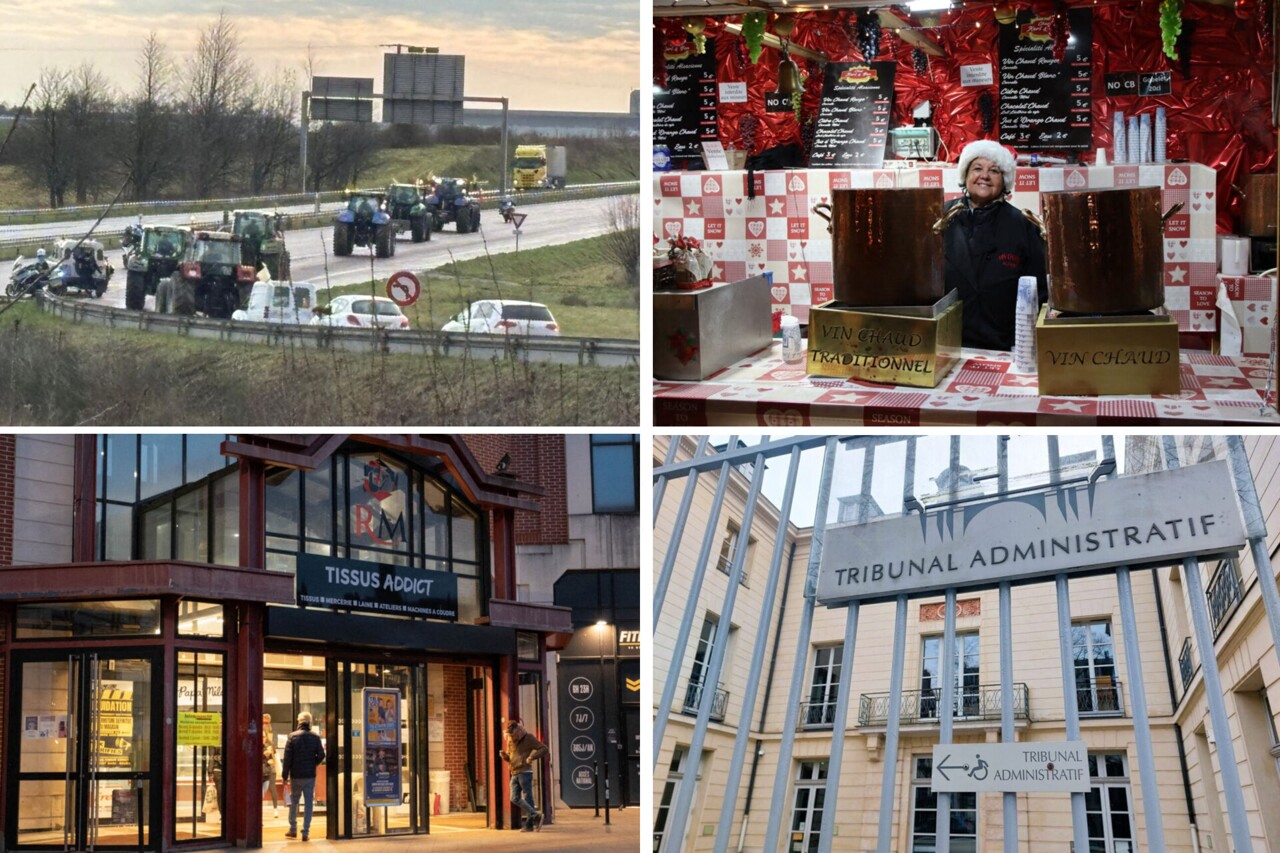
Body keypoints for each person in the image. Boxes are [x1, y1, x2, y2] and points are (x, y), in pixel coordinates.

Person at [939, 139, 1047, 352]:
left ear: (1005, 181)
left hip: (1004, 345)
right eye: (977, 168)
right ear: (965, 175)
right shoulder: (940, 218)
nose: (984, 176)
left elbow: (1040, 291)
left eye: (994, 171)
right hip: (946, 342)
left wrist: (1027, 343)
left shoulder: (1023, 224)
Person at [282, 711, 325, 841]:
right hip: (310, 776)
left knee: (294, 801)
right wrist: (313, 764)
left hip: (296, 775)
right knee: (308, 803)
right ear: (309, 722)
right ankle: (305, 832)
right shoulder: (315, 737)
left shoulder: (292, 737)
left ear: (299, 722)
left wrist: (285, 776)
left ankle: (293, 829)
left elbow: (287, 758)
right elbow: (321, 755)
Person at [499, 718, 548, 832]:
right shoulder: (511, 740)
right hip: (514, 772)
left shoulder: (528, 738)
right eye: (509, 735)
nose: (510, 737)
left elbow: (544, 748)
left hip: (525, 772)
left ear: (518, 731)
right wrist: (504, 756)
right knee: (514, 798)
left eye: (512, 735)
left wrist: (532, 757)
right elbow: (511, 757)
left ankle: (529, 825)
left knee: (528, 797)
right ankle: (536, 815)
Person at [262, 714, 280, 818]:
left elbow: (274, 755)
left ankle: (275, 809)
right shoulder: (258, 743)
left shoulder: (270, 743)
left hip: (270, 769)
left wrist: (271, 756)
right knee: (263, 790)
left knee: (272, 788)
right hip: (264, 768)